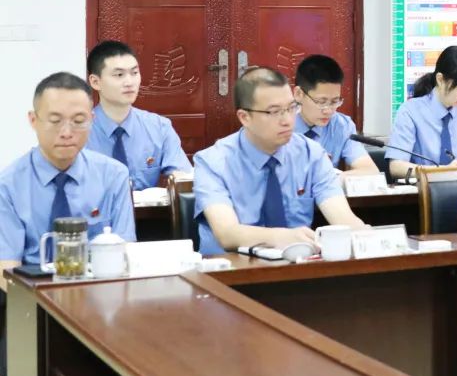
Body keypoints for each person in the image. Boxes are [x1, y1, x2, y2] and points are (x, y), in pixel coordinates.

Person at [193, 67, 366, 256]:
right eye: (274, 112)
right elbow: (227, 234)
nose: (287, 120)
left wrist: (372, 238)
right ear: (245, 117)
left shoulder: (311, 154)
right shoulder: (212, 162)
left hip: (296, 265)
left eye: (291, 108)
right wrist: (281, 236)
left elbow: (344, 218)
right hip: (230, 268)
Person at [0, 72, 136, 280]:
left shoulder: (113, 176)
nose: (66, 132)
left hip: (98, 289)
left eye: (78, 121)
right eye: (55, 121)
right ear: (33, 120)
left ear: (92, 120)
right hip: (32, 289)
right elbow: (7, 270)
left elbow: (125, 252)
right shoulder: (9, 185)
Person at [85, 40, 192, 190]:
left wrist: (182, 181)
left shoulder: (159, 127)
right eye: (119, 75)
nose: (129, 82)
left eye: (134, 73)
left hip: (144, 206)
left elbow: (183, 178)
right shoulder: (79, 132)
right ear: (95, 82)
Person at [386, 45, 457, 178]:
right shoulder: (410, 111)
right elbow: (396, 167)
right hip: (420, 189)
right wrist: (442, 172)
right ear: (440, 80)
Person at [293, 54, 378, 176]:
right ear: (298, 94)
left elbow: (370, 171)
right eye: (321, 102)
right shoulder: (279, 125)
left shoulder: (341, 125)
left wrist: (329, 179)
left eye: (334, 102)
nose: (328, 111)